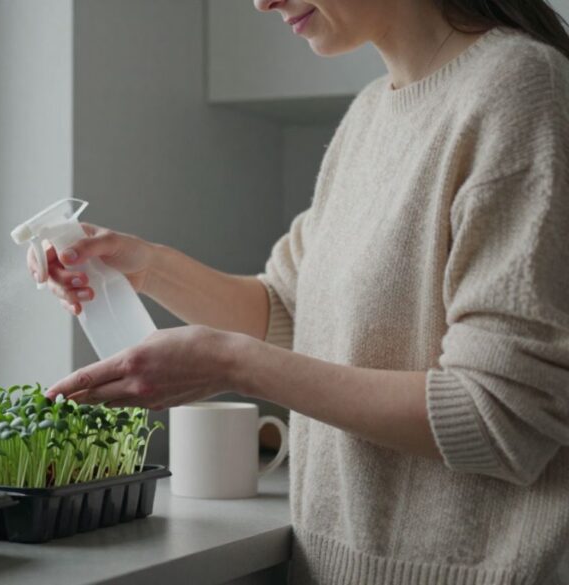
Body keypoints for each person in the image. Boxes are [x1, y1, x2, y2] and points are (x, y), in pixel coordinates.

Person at [32, 0, 569, 583]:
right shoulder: (369, 113)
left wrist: (233, 364)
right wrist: (146, 266)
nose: (262, 2)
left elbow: (501, 416)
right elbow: (290, 311)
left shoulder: (520, 90)